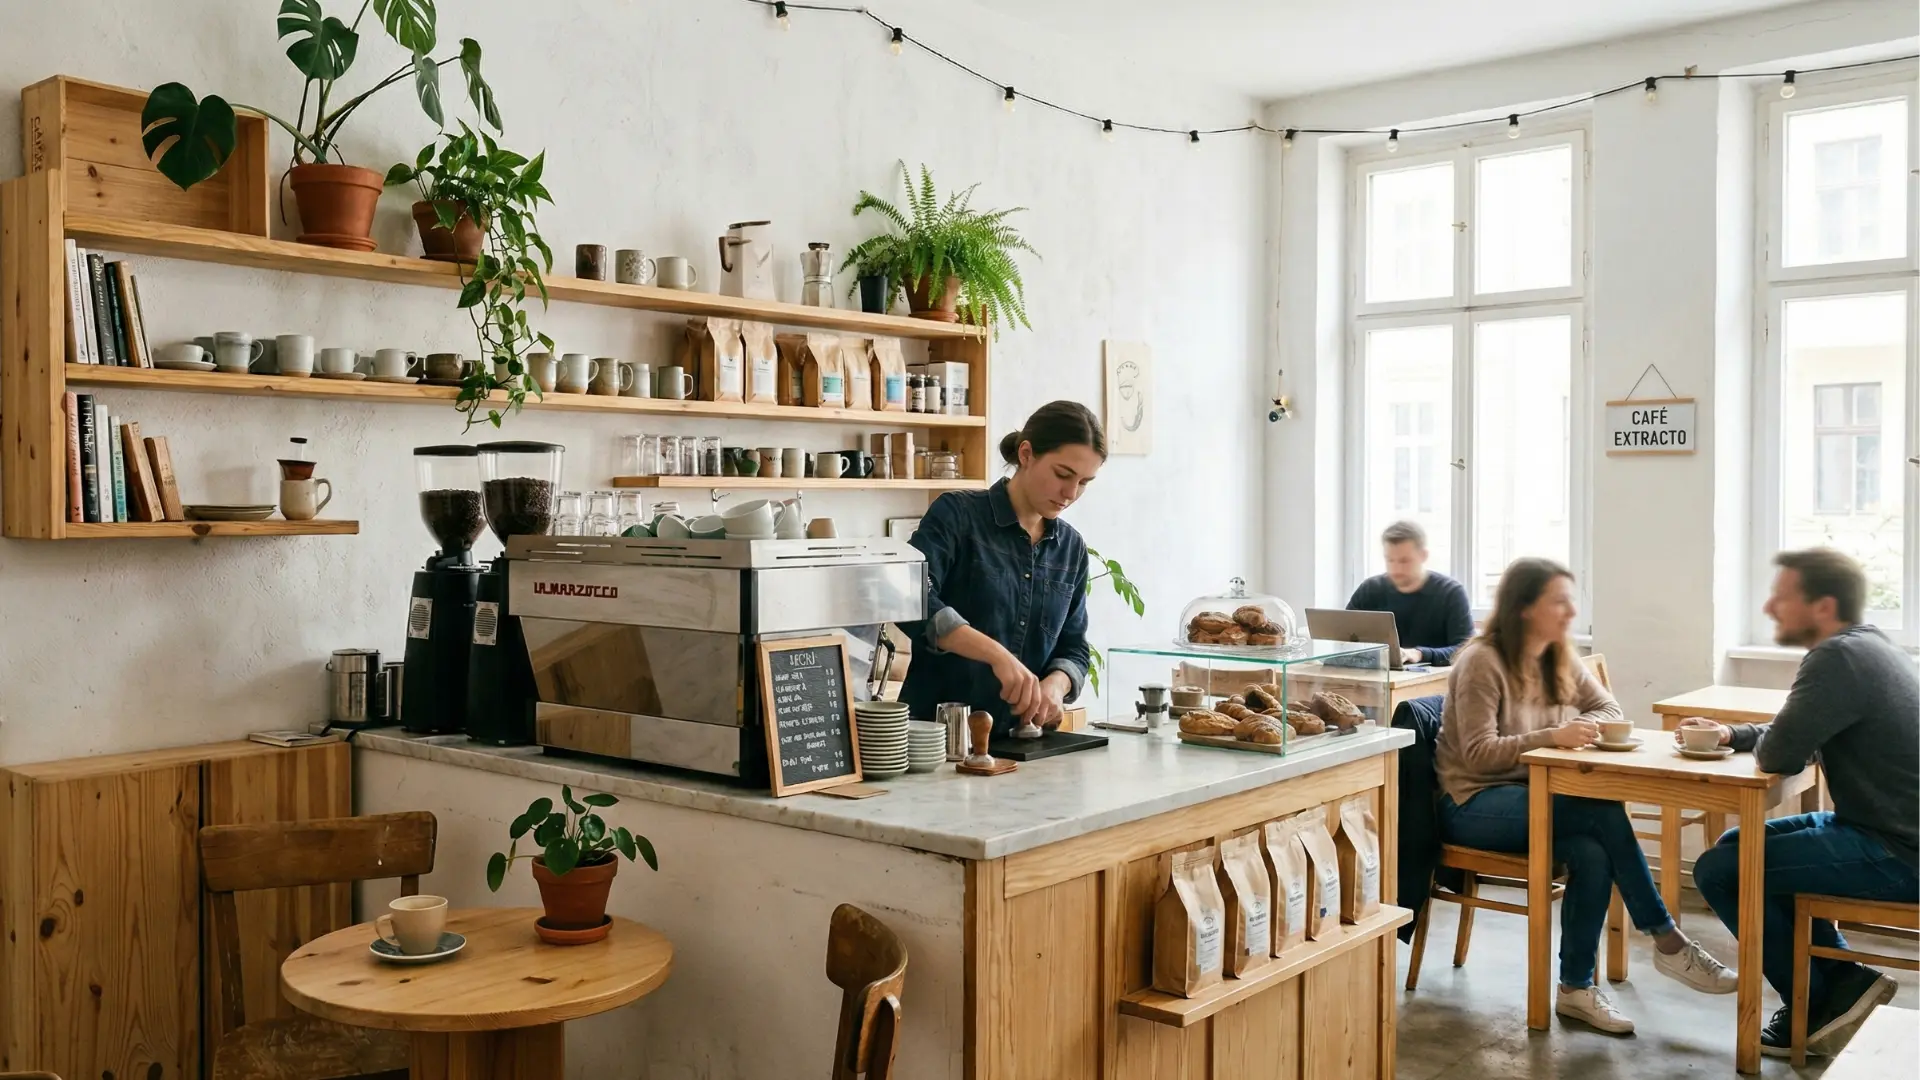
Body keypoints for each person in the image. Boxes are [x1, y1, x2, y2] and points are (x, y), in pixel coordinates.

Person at [1434, 557, 1736, 1034]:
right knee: (1599, 809)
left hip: (1534, 797)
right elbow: (1476, 755)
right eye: (1559, 601)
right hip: (1473, 804)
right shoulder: (1482, 662)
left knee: (1593, 853)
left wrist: (1584, 728)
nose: (1570, 612)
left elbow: (1608, 705)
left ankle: (1575, 989)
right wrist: (1553, 736)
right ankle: (1666, 938)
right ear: (1526, 608)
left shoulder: (1557, 655)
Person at [1680, 548, 1919, 1058]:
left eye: (1782, 597)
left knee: (1723, 870)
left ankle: (1814, 1001)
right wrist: (1731, 733)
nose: (1770, 608)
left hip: (1899, 851)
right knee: (1735, 846)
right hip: (1887, 830)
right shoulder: (1874, 646)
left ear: (1823, 606)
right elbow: (1807, 733)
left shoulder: (1834, 658)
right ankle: (1841, 983)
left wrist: (1760, 741)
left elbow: (1783, 752)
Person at [900, 401, 1103, 738]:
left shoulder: (1071, 548)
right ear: (1026, 454)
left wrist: (1056, 684)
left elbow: (1075, 647)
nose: (1070, 493)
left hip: (1023, 746)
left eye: (1084, 482)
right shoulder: (958, 515)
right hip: (937, 741)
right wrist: (997, 655)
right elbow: (911, 597)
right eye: (1062, 475)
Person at [1347, 520, 1474, 666]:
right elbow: (1342, 641)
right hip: (1375, 679)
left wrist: (1419, 654)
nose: (1396, 569)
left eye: (1404, 561)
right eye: (1390, 560)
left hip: (1431, 683)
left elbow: (1465, 650)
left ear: (1423, 556)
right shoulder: (1370, 589)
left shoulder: (1451, 593)